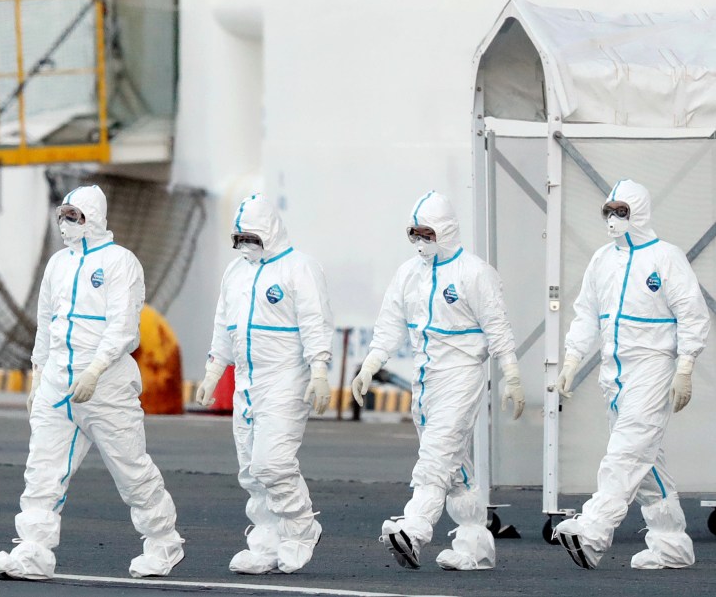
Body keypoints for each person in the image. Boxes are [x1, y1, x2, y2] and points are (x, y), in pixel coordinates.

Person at [0, 185, 184, 580]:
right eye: (63, 216)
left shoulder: (120, 262)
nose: (66, 224)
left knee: (130, 468)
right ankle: (33, 551)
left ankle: (163, 541)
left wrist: (95, 370)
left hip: (106, 386)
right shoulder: (58, 264)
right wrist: (38, 373)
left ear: (92, 218)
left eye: (74, 216)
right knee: (42, 471)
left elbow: (124, 327)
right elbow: (46, 322)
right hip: (58, 385)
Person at [351, 190, 524, 571]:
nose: (419, 241)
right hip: (425, 379)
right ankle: (474, 543)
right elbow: (389, 325)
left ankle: (413, 529)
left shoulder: (475, 273)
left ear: (445, 230)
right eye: (413, 234)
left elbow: (498, 328)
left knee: (434, 460)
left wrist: (511, 374)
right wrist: (370, 365)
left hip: (462, 377)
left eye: (426, 233)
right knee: (456, 469)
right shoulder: (408, 274)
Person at [552, 179, 709, 570]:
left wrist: (685, 366)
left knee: (624, 453)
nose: (612, 219)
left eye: (621, 211)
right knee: (645, 460)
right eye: (608, 211)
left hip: (653, 368)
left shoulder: (666, 257)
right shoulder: (603, 260)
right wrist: (571, 361)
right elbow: (586, 313)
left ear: (637, 213)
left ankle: (594, 529)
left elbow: (692, 314)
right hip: (614, 374)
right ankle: (672, 544)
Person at [193, 193, 334, 574]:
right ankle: (266, 541)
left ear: (269, 232)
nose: (244, 246)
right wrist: (212, 371)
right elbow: (225, 325)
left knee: (273, 463)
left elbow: (315, 322)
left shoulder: (299, 268)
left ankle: (301, 529)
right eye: (239, 239)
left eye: (252, 238)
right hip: (246, 381)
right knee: (251, 470)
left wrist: (319, 371)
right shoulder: (236, 272)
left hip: (285, 379)